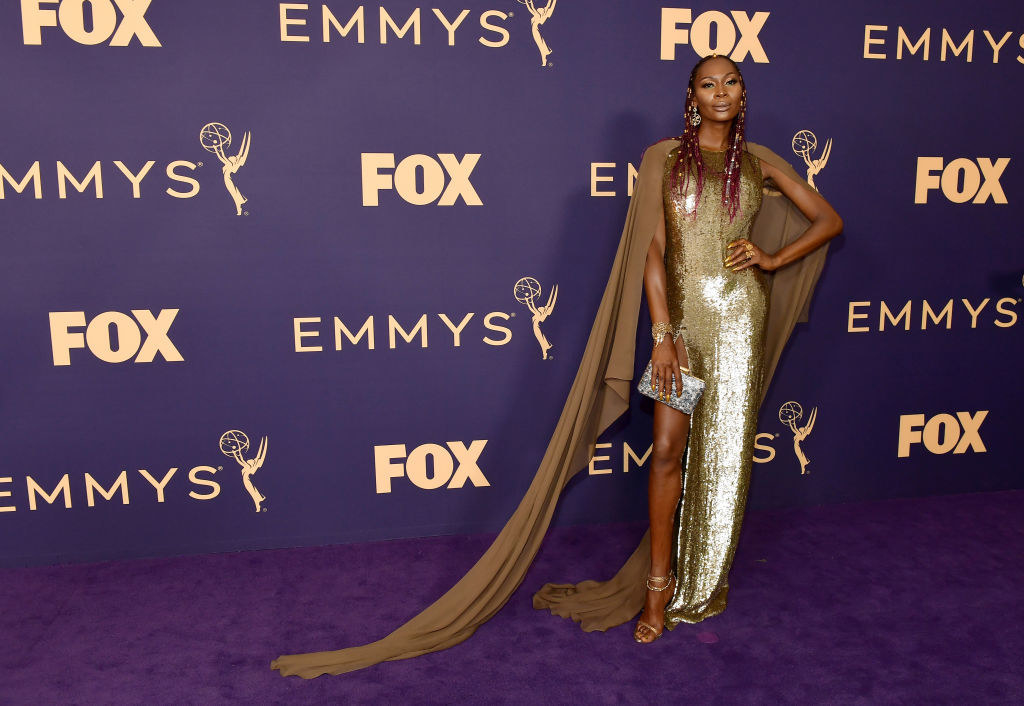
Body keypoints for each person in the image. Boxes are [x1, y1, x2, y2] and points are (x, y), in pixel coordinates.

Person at [271, 55, 841, 678]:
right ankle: (655, 588)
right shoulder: (662, 159)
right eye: (708, 83)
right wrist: (663, 334)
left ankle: (699, 587)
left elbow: (828, 219)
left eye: (731, 81)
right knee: (669, 451)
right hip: (678, 326)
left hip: (739, 321)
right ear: (691, 96)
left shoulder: (760, 165)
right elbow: (652, 248)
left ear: (742, 91)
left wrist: (772, 257)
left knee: (725, 458)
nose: (721, 92)